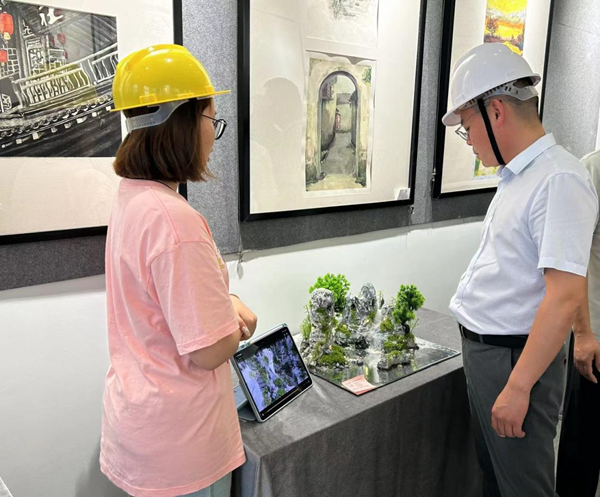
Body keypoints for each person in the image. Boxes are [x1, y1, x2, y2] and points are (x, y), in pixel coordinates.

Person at [99, 44, 257, 497]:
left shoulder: (132, 199)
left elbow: (161, 307)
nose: (213, 135)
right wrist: (235, 318)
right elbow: (209, 350)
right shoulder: (174, 220)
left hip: (140, 423)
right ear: (183, 123)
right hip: (183, 447)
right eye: (212, 119)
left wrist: (223, 301)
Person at [442, 43, 598, 497]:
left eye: (467, 125)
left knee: (523, 488)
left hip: (514, 359)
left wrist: (517, 386)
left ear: (496, 111)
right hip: (493, 355)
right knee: (497, 481)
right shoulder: (521, 175)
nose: (468, 139)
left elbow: (564, 296)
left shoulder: (559, 178)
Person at [556, 149, 600, 497]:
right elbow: (572, 261)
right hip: (596, 337)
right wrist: (583, 334)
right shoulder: (592, 170)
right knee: (583, 445)